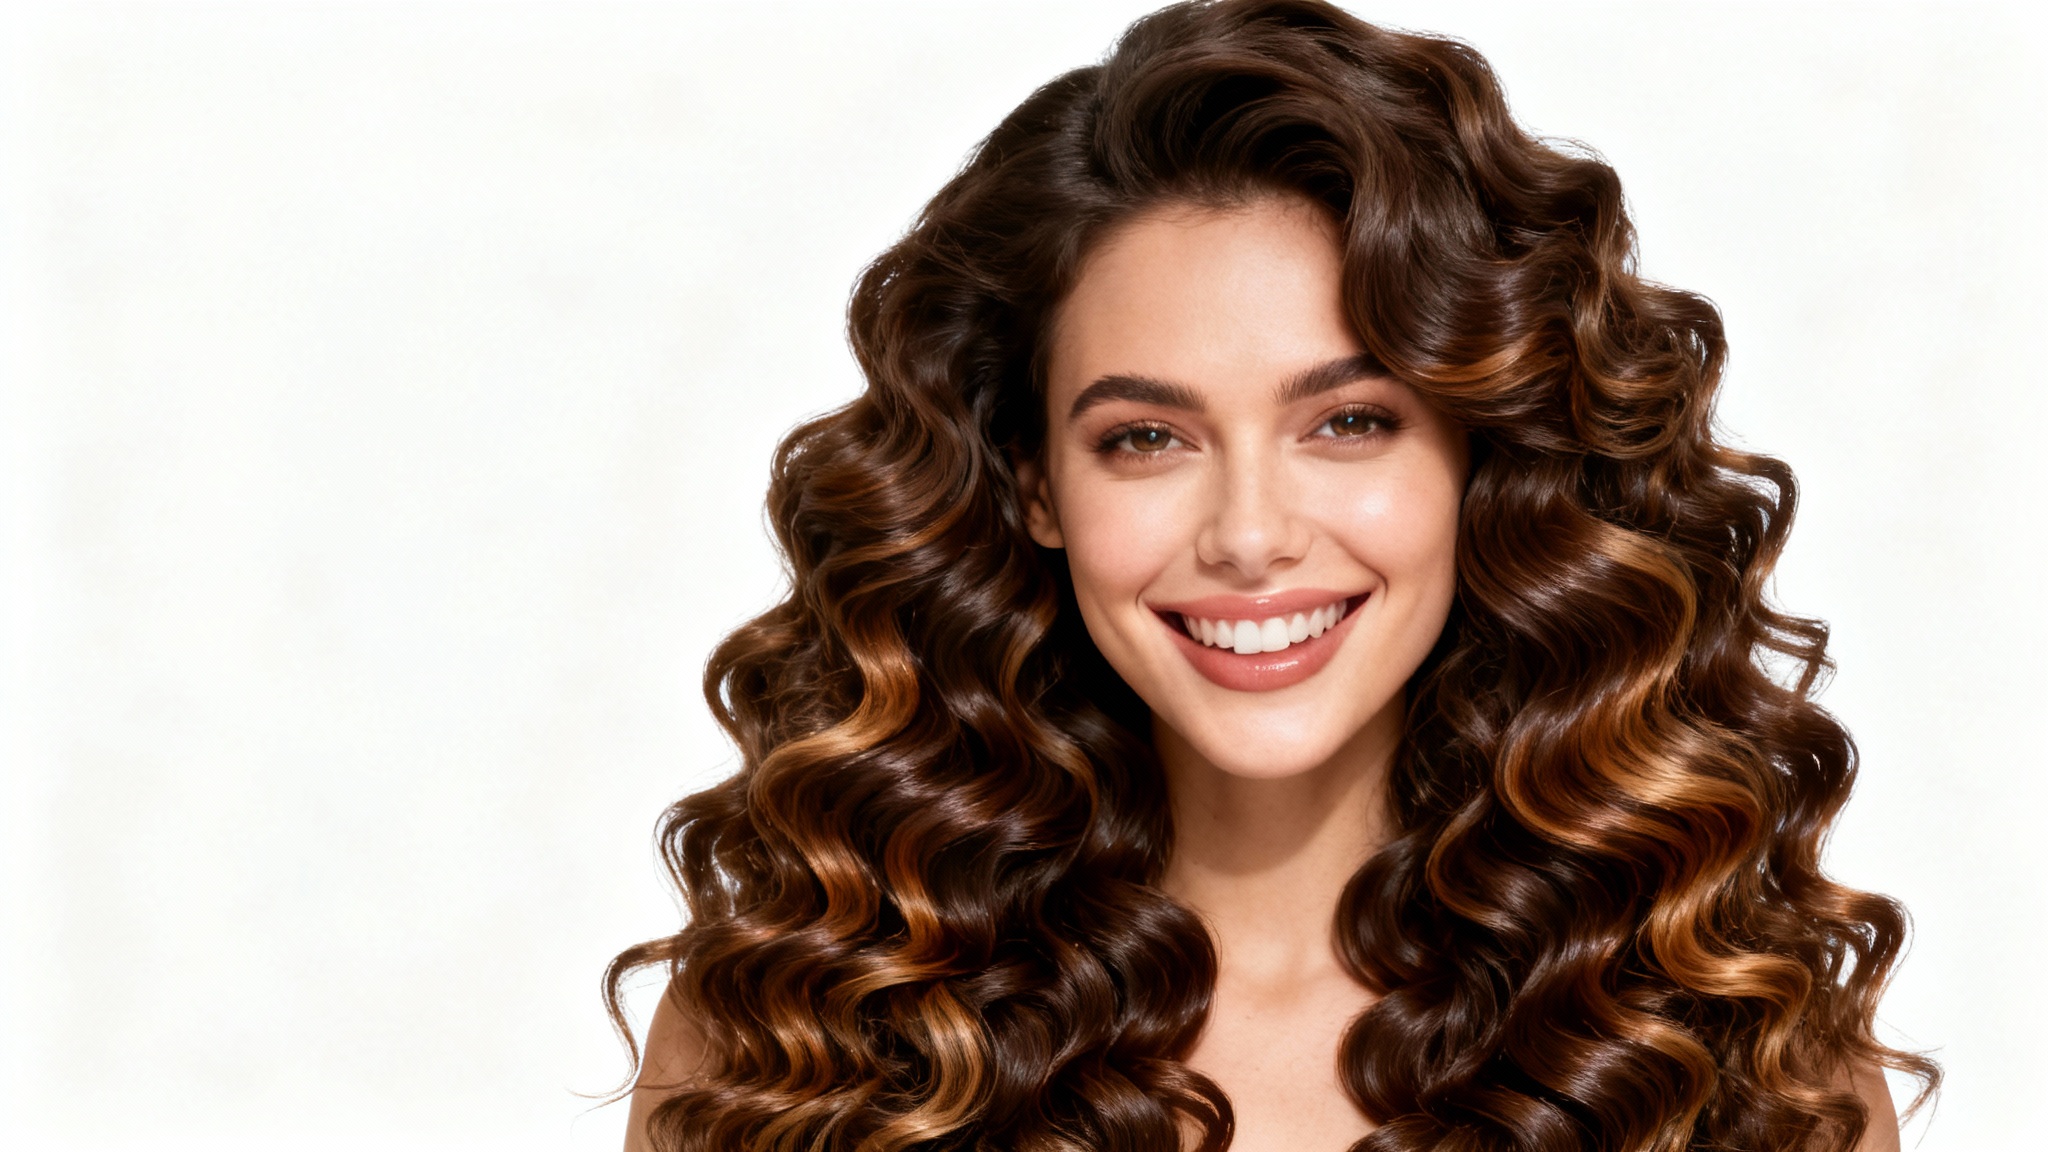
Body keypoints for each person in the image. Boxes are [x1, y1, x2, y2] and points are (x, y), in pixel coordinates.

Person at [606, 2, 1937, 1149]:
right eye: (1145, 438)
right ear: (1034, 485)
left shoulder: (1744, 1054)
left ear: (1481, 459)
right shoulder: (788, 1036)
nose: (1250, 535)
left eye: (1348, 422)